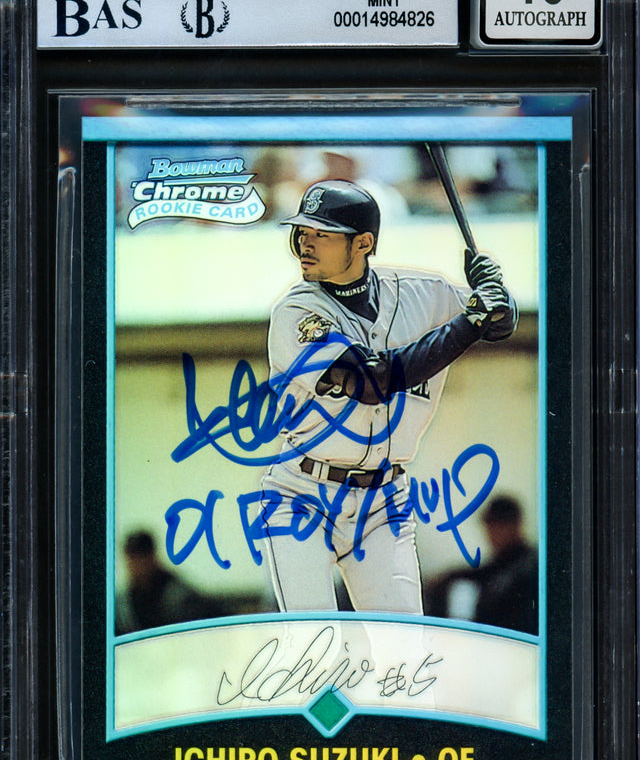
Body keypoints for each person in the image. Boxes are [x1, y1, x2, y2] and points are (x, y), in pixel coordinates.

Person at [261, 179, 517, 614]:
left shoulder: (422, 294)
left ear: (363, 243)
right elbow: (372, 381)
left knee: (401, 645)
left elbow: (499, 322)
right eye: (303, 232)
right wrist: (469, 323)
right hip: (302, 495)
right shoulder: (296, 312)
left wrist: (496, 294)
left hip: (383, 501)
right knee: (313, 642)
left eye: (322, 234)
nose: (306, 243)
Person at [424, 495, 538, 634]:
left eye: (498, 526)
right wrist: (445, 577)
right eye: (489, 527)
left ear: (515, 525)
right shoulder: (506, 561)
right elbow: (481, 572)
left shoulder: (528, 566)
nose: (491, 534)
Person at [115, 530, 223, 634]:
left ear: (151, 557)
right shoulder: (125, 602)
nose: (134, 565)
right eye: (131, 558)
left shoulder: (177, 596)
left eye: (140, 558)